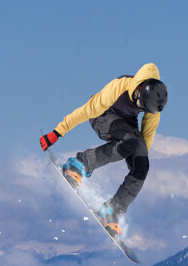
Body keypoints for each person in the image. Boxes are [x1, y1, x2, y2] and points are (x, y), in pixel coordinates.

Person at [39, 63, 168, 235]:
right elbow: (85, 111)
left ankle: (112, 211)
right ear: (139, 91)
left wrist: (137, 161)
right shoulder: (118, 87)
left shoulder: (153, 106)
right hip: (101, 116)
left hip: (126, 125)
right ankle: (79, 164)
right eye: (140, 105)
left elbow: (147, 138)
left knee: (142, 165)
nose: (141, 109)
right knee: (128, 141)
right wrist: (57, 132)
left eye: (145, 109)